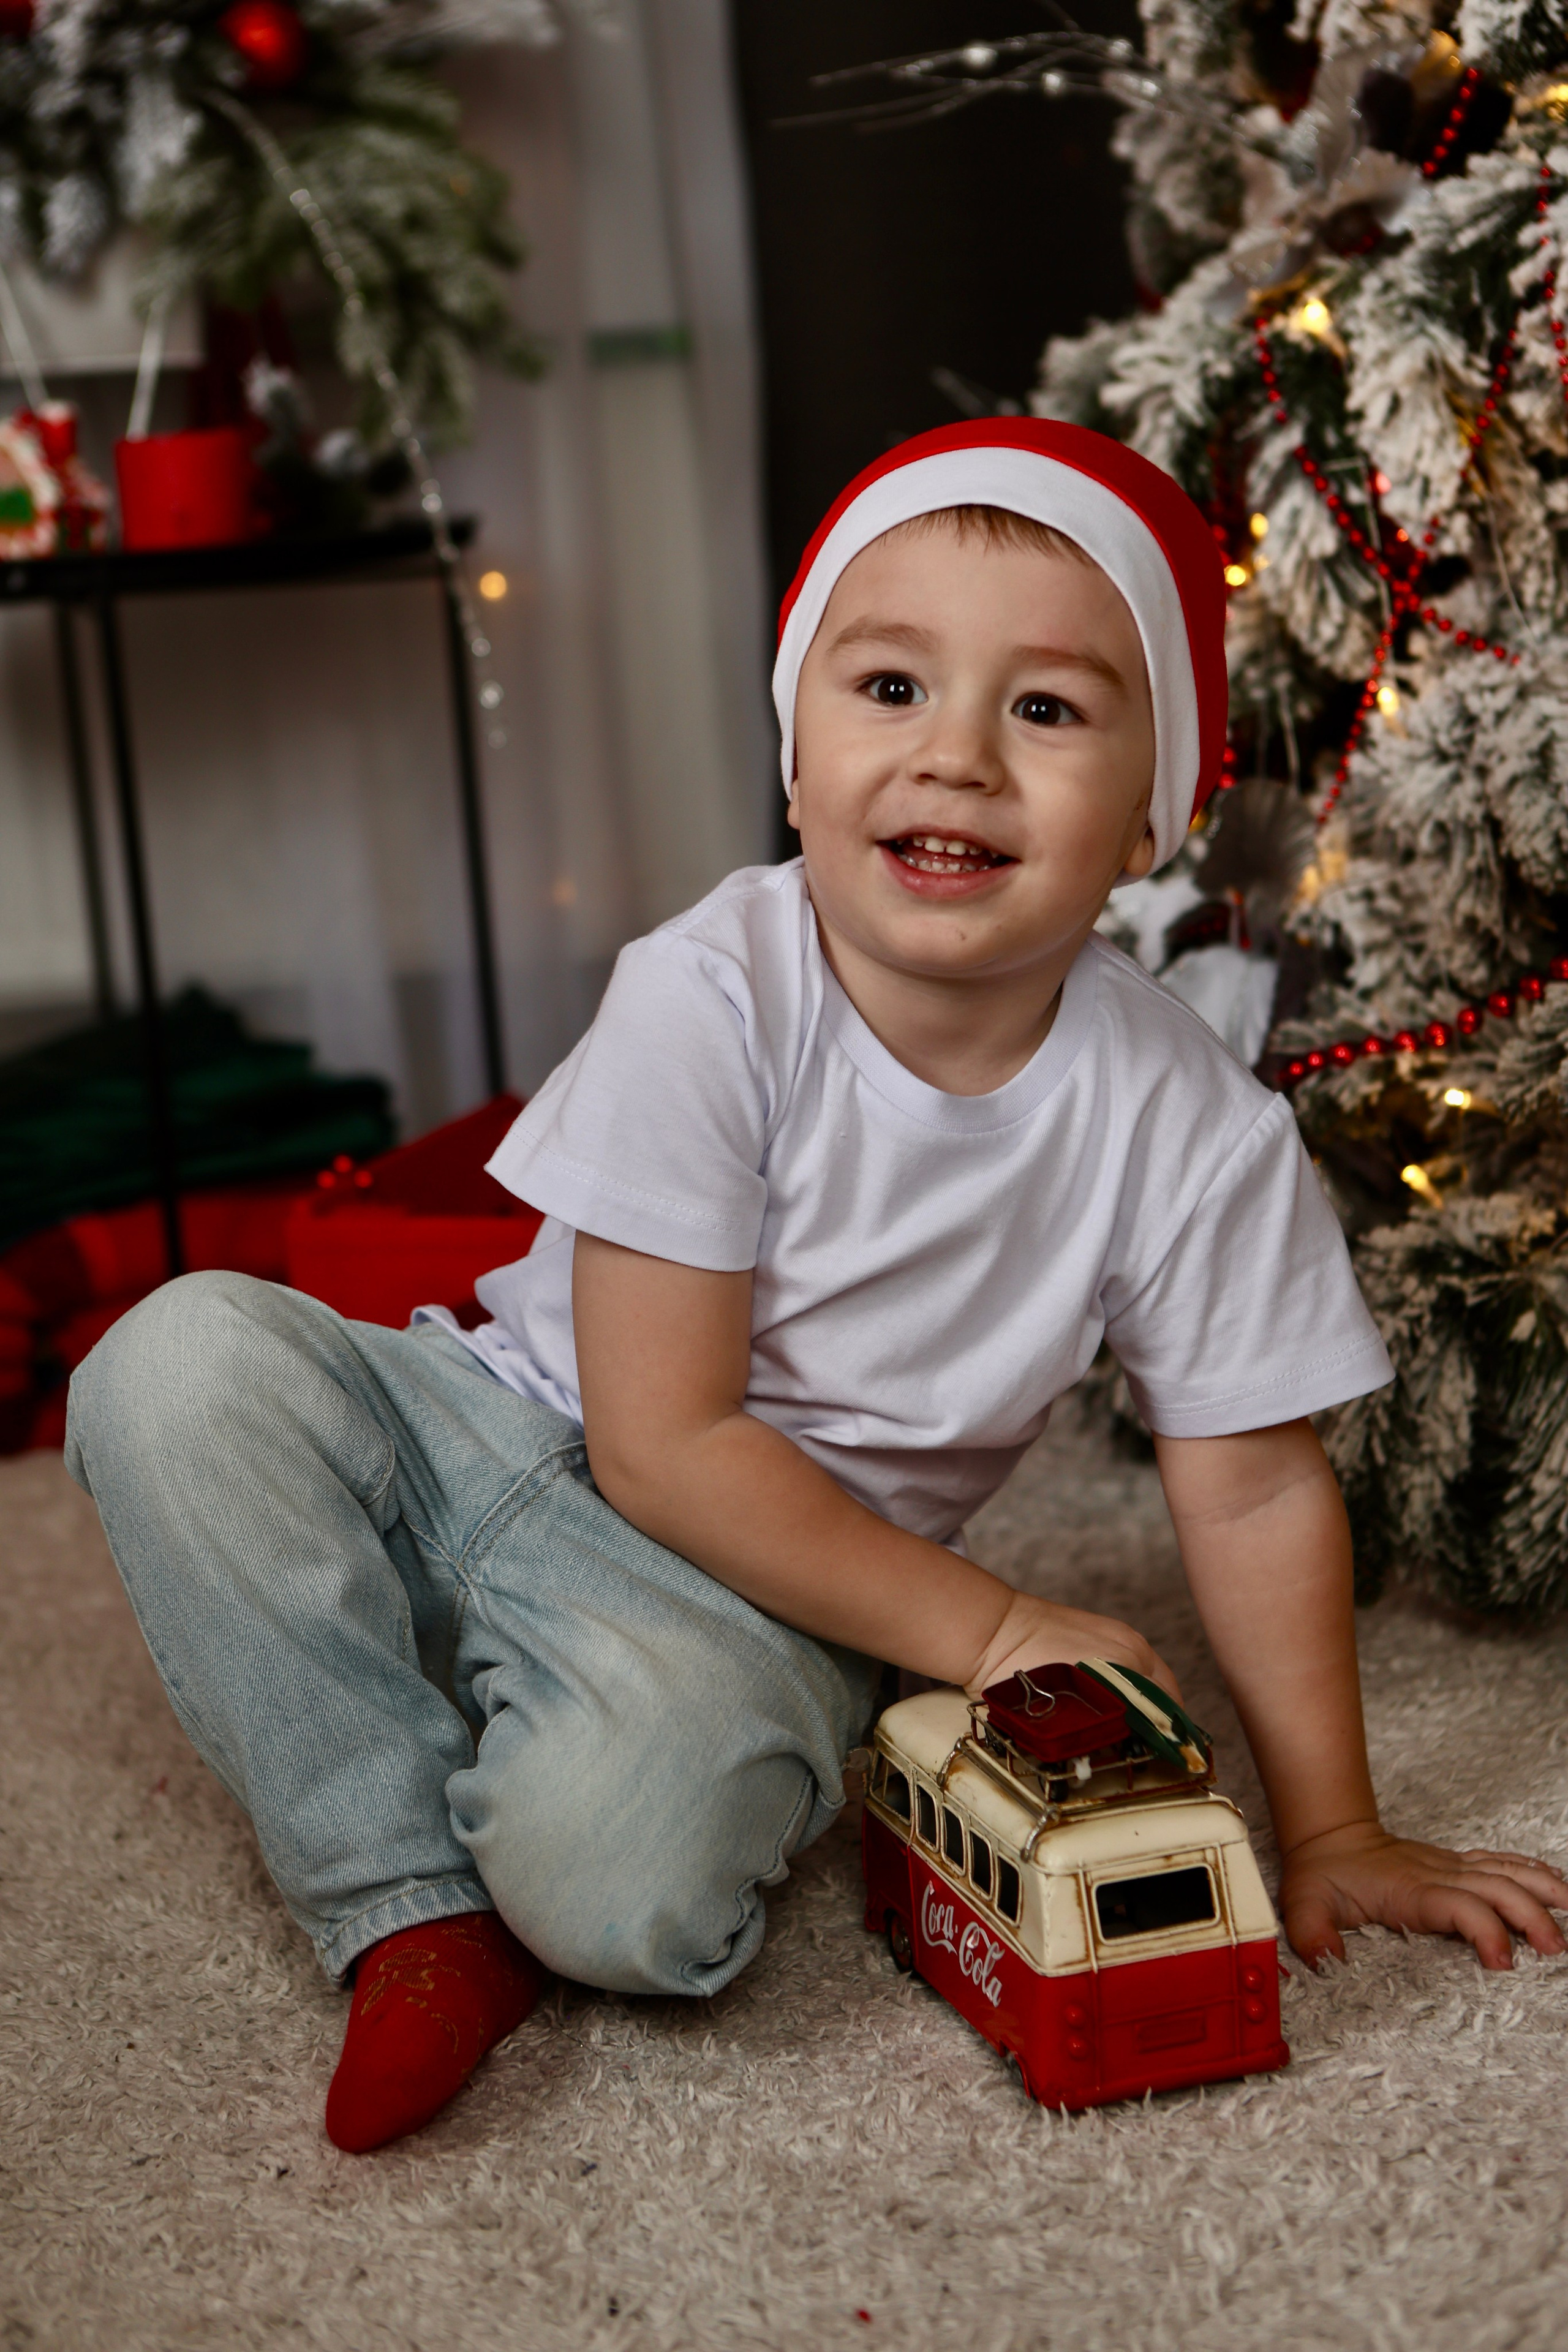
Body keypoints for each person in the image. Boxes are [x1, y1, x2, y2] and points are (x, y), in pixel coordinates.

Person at [66, 421, 1568, 2157]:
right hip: (488, 1424)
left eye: (1051, 710)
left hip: (765, 1583)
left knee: (625, 1890)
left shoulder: (1194, 1131)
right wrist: (995, 1633)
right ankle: (400, 1889)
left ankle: (499, 1736)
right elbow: (660, 1435)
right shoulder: (712, 989)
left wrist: (1334, 1832)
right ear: (796, 753)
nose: (959, 758)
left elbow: (1246, 1481)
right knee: (174, 1368)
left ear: (1164, 811)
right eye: (888, 687)